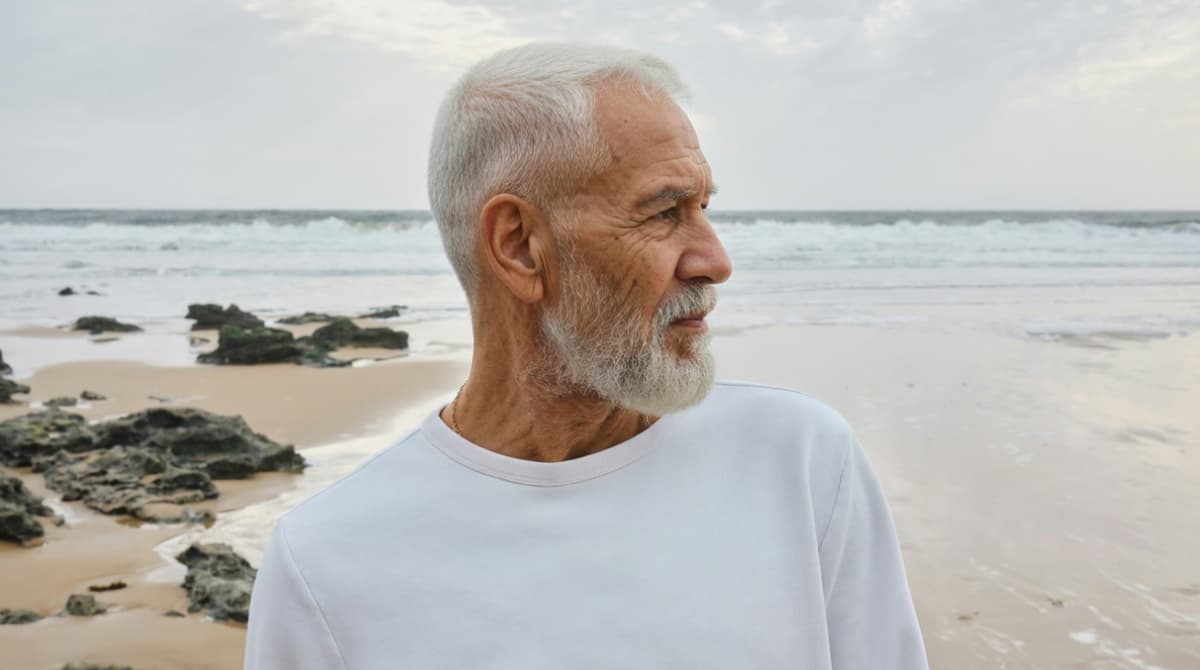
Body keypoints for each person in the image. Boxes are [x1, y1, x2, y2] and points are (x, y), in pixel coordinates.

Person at [244, 42, 929, 669]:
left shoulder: (799, 462)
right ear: (519, 246)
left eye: (704, 206)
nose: (715, 261)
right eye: (664, 213)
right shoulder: (328, 561)